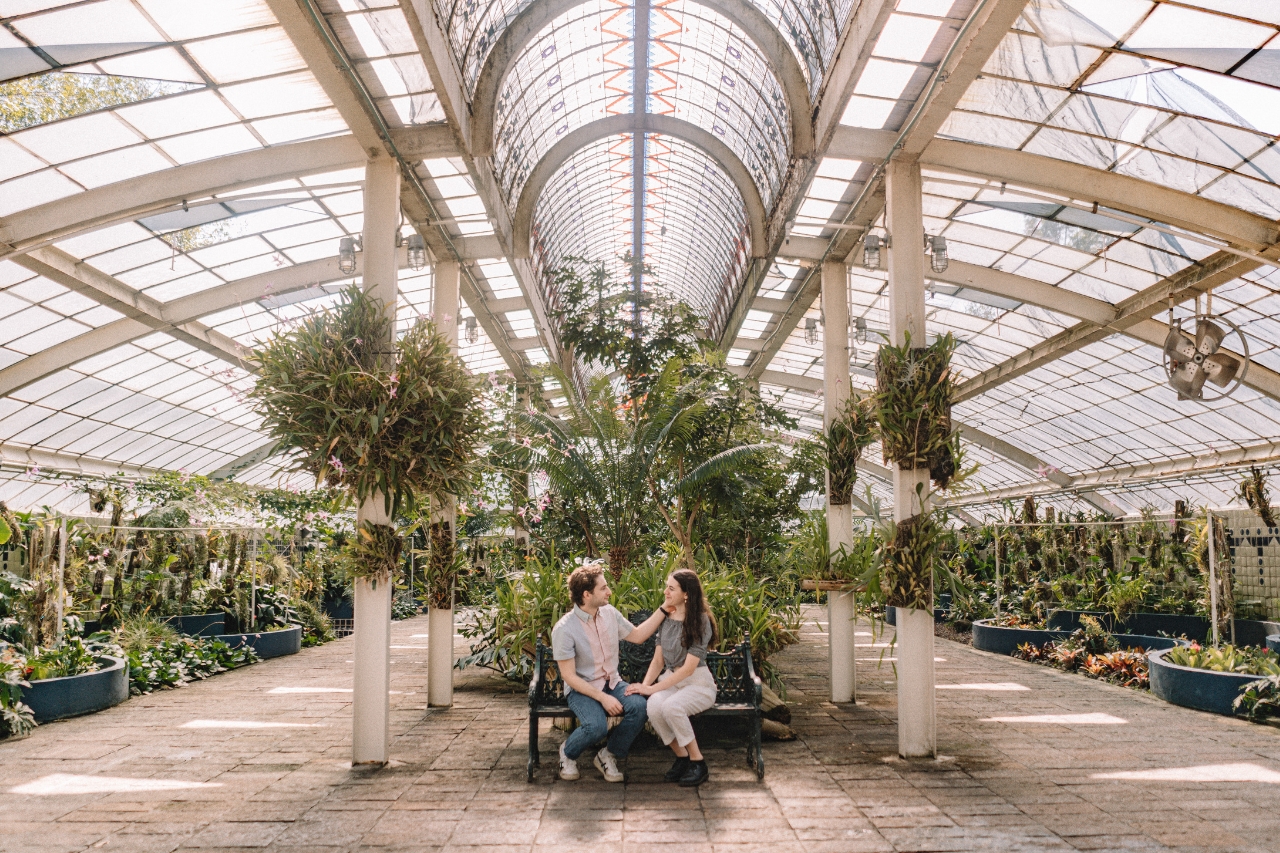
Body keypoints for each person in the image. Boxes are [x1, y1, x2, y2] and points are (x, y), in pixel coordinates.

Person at [551, 562, 671, 782]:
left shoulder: (609, 614)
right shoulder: (564, 629)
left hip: (613, 682)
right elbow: (569, 677)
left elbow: (637, 635)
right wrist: (602, 698)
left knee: (640, 707)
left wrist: (664, 609)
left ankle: (608, 754)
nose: (609, 592)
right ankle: (567, 753)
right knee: (596, 727)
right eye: (604, 588)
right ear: (587, 594)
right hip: (582, 689)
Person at [625, 569, 718, 787]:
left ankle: (698, 762)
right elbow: (658, 661)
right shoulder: (667, 619)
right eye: (666, 586)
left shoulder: (700, 621)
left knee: (672, 707)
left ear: (686, 594)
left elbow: (687, 670)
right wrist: (644, 686)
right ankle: (682, 758)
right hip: (672, 681)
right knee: (655, 707)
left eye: (671, 588)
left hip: (698, 684)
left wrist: (652, 689)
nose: (665, 591)